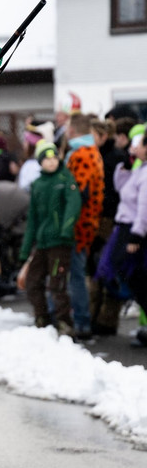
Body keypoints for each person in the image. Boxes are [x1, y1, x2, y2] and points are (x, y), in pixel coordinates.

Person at [19, 141, 81, 333]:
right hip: (42, 241)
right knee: (33, 282)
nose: (52, 162)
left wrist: (66, 229)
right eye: (47, 158)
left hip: (60, 242)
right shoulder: (37, 184)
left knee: (58, 283)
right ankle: (41, 318)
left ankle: (64, 323)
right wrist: (25, 249)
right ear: (40, 162)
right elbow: (32, 219)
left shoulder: (65, 179)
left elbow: (74, 204)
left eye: (54, 157)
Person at [95, 124, 147, 346]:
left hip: (133, 230)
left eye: (139, 145)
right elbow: (121, 188)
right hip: (125, 227)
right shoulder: (139, 169)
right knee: (128, 276)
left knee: (135, 277)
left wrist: (137, 235)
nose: (134, 148)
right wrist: (125, 167)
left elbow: (144, 206)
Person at [64, 113, 104, 339]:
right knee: (76, 273)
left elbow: (77, 193)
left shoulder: (83, 154)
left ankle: (81, 322)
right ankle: (79, 319)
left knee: (76, 275)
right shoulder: (87, 152)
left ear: (72, 130)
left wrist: (66, 222)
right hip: (83, 222)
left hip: (78, 224)